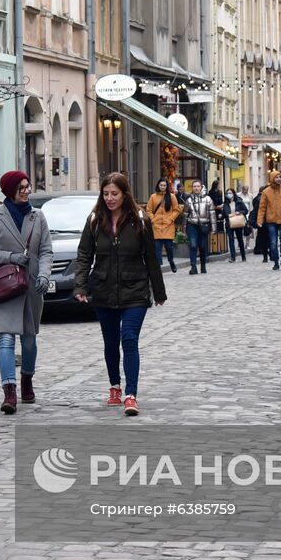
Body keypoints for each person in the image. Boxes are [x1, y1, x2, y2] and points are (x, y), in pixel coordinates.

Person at [73, 172, 167, 417]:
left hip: (135, 289)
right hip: (104, 289)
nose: (110, 198)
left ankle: (130, 394)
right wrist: (81, 286)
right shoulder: (95, 220)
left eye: (114, 194)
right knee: (111, 342)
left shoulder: (139, 219)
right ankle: (114, 385)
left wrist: (158, 291)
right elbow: (84, 255)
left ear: (125, 195)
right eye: (106, 194)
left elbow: (151, 257)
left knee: (129, 339)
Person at [0, 170, 54, 414]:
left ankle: (26, 378)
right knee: (6, 338)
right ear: (10, 191)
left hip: (31, 286)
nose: (26, 191)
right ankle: (9, 391)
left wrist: (43, 274)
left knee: (29, 340)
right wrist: (10, 257)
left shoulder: (37, 216)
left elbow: (46, 252)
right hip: (5, 288)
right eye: (21, 187)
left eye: (28, 186)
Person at [256, 172, 281, 270]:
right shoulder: (266, 192)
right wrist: (260, 219)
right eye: (276, 177)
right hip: (271, 220)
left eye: (280, 177)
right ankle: (276, 261)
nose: (279, 179)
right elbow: (262, 207)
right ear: (272, 179)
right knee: (273, 242)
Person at [145, 177, 183, 273]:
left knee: (169, 247)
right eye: (161, 185)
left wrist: (171, 219)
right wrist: (153, 219)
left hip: (168, 226)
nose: (163, 187)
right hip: (156, 226)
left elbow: (176, 209)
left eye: (164, 185)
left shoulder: (172, 196)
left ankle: (171, 261)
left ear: (167, 186)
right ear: (158, 185)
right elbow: (148, 210)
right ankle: (158, 267)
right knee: (157, 248)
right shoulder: (153, 197)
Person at [182, 180, 217, 274]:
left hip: (204, 225)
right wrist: (184, 229)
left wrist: (214, 229)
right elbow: (185, 215)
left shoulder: (208, 199)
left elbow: (212, 214)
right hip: (192, 225)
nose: (196, 188)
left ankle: (203, 265)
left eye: (198, 186)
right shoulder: (189, 200)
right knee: (193, 245)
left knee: (202, 246)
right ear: (192, 188)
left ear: (201, 187)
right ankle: (193, 267)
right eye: (194, 186)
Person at [222, 185, 252, 261]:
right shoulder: (225, 203)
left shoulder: (239, 201)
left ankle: (243, 256)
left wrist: (239, 212)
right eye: (228, 193)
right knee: (231, 240)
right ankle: (233, 257)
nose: (229, 194)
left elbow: (246, 210)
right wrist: (222, 214)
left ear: (233, 193)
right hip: (229, 223)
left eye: (230, 193)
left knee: (240, 239)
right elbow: (224, 214)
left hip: (238, 222)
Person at [251, 185, 271, 262]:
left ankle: (266, 253)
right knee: (265, 238)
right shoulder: (260, 199)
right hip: (264, 221)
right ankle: (265, 254)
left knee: (266, 238)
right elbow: (256, 211)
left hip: (269, 220)